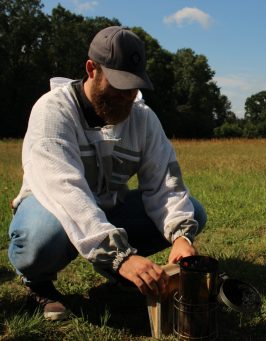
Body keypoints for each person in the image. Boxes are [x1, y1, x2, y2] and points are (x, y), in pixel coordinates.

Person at [8, 26, 206, 321]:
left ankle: (119, 277)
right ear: (92, 69)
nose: (128, 96)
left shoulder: (143, 119)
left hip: (107, 208)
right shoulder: (53, 111)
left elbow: (166, 181)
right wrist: (119, 257)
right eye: (119, 84)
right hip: (52, 210)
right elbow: (65, 191)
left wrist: (180, 237)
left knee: (194, 213)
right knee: (42, 235)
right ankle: (37, 281)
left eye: (134, 86)